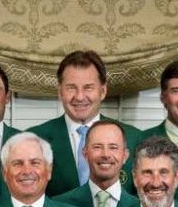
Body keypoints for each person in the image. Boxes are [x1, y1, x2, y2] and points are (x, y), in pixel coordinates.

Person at [26, 51, 141, 197]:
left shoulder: (134, 138)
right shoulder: (33, 139)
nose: (79, 97)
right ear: (60, 91)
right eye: (71, 88)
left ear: (103, 91)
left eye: (88, 87)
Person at [54, 120, 138, 207]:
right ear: (85, 154)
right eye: (97, 147)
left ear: (125, 155)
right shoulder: (59, 206)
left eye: (113, 147)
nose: (106, 154)